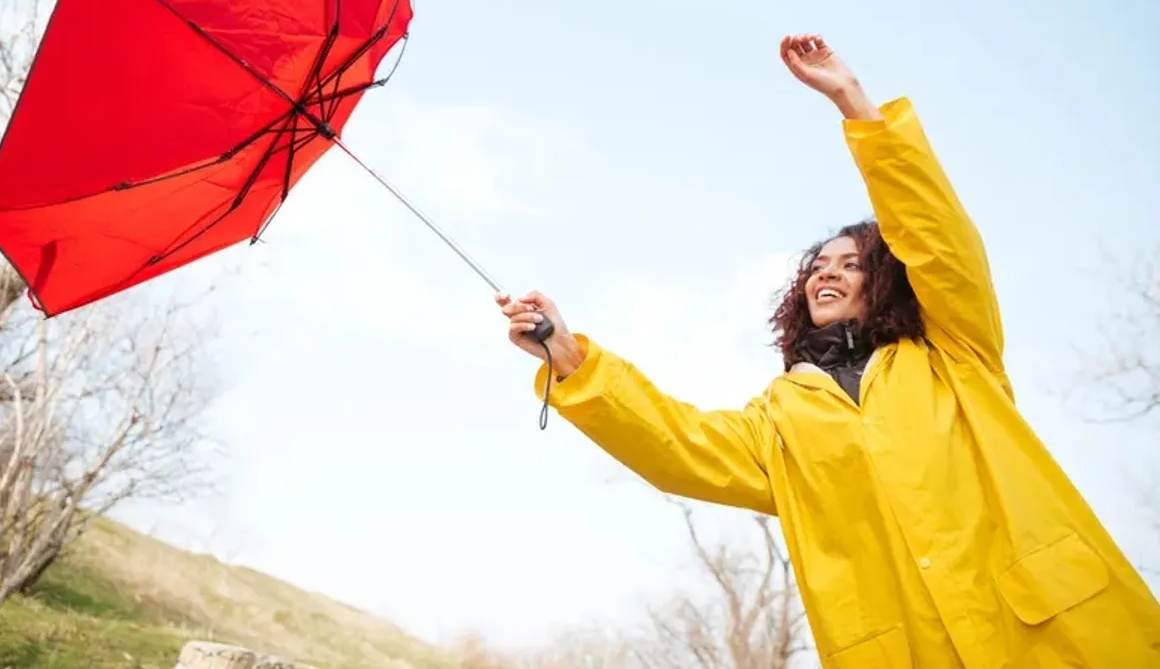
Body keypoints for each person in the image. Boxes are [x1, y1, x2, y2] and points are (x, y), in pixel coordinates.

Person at [495, 34, 1160, 668]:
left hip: (1062, 639)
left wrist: (854, 104)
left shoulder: (954, 351)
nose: (826, 272)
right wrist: (571, 360)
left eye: (851, 262)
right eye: (817, 265)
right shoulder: (782, 423)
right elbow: (677, 444)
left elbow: (938, 239)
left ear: (889, 279)